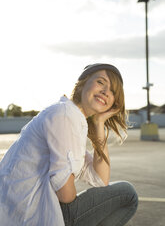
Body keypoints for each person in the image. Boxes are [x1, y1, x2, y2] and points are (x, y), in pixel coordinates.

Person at [0, 63, 138, 226]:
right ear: (82, 83)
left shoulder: (71, 119)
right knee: (127, 194)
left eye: (113, 91)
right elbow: (65, 195)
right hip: (32, 216)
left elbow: (101, 179)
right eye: (101, 82)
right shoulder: (64, 115)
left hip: (27, 213)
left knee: (124, 192)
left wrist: (100, 122)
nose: (106, 92)